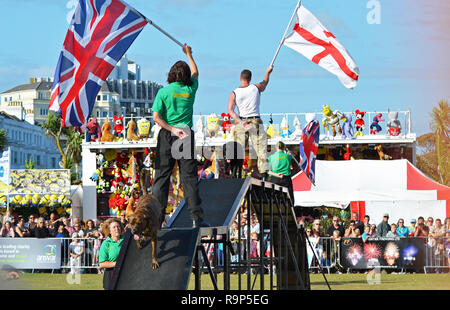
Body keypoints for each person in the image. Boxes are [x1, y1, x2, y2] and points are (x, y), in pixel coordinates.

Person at [151, 44, 209, 228]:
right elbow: (196, 72)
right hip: (185, 135)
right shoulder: (190, 89)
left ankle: (157, 219)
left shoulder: (164, 92)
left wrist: (171, 128)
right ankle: (196, 218)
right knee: (189, 178)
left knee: (161, 178)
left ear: (171, 75)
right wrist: (189, 54)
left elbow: (156, 118)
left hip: (167, 135)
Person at [228, 65, 274, 180]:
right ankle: (263, 174)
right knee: (261, 148)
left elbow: (230, 110)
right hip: (255, 120)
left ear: (240, 78)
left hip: (242, 120)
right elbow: (265, 83)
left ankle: (235, 173)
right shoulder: (255, 88)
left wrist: (240, 121)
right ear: (250, 78)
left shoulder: (234, 93)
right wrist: (268, 72)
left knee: (238, 149)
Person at [99, 218, 125, 290]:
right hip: (111, 275)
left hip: (126, 273)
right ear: (109, 230)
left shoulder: (126, 240)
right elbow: (102, 264)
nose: (117, 229)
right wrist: (117, 263)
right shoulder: (106, 244)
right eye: (114, 227)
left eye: (118, 226)